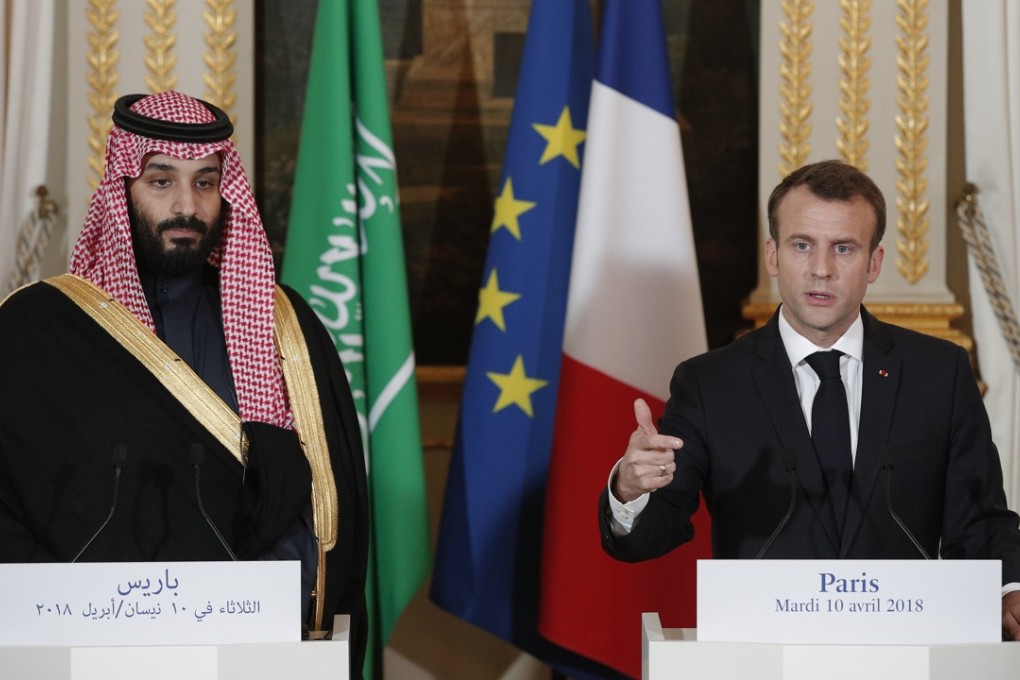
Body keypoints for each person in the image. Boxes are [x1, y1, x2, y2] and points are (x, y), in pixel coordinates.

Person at [0, 91, 369, 672]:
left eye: (205, 182)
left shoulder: (284, 327)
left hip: (254, 655)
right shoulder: (35, 332)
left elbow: (322, 504)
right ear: (123, 190)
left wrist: (246, 624)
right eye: (161, 181)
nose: (186, 206)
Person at [599, 159, 1020, 639]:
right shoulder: (710, 384)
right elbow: (652, 536)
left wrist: (1009, 588)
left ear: (874, 263)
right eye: (803, 245)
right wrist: (630, 491)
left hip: (906, 651)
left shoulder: (938, 372)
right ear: (773, 256)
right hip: (760, 656)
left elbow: (980, 518)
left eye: (844, 248)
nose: (822, 270)